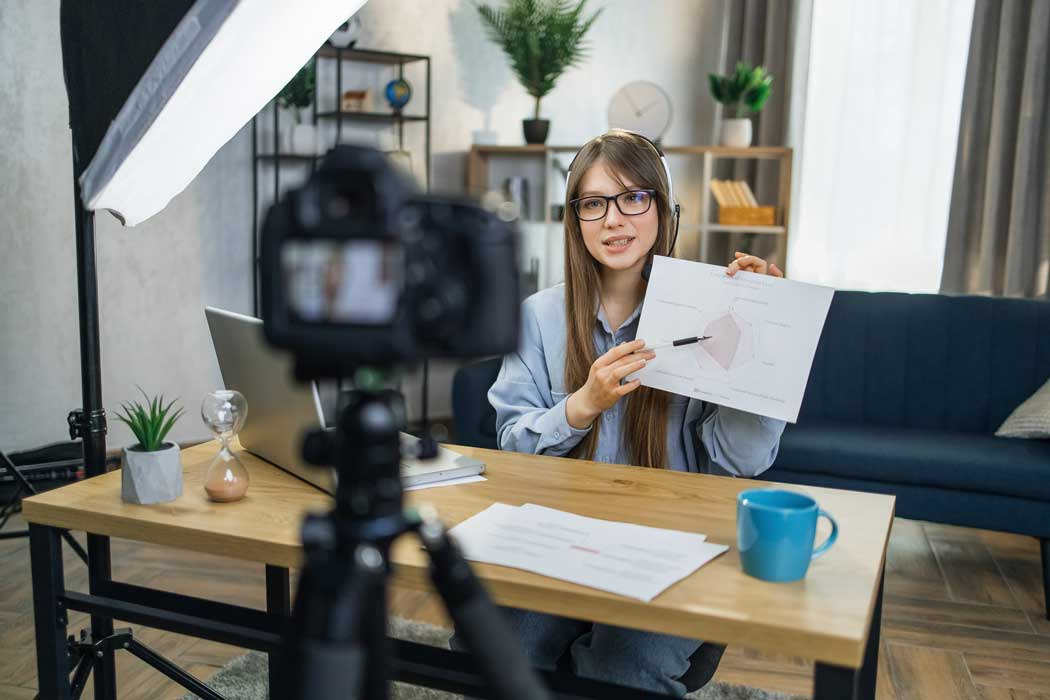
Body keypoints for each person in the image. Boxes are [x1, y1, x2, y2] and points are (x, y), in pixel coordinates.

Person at [481, 129, 787, 696]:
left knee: (623, 667)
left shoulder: (711, 312)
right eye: (595, 203)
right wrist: (582, 405)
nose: (614, 219)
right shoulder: (538, 316)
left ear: (663, 210)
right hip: (558, 539)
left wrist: (758, 343)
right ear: (575, 217)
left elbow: (743, 462)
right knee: (505, 649)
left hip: (674, 551)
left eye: (634, 198)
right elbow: (511, 448)